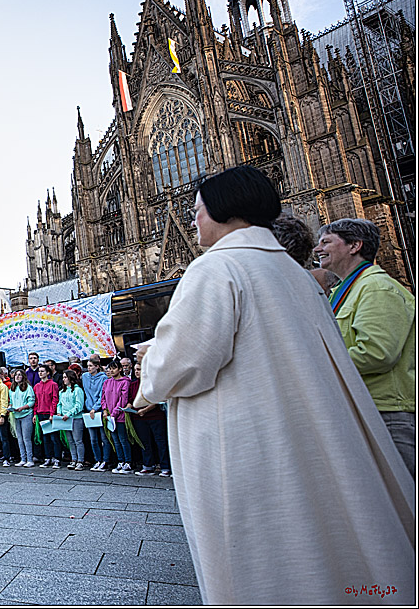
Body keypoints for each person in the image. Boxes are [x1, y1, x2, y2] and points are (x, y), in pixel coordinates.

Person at [135, 165, 415, 604]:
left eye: (197, 210)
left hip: (244, 441)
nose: (193, 220)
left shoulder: (217, 267)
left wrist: (150, 362)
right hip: (300, 432)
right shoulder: (295, 273)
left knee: (261, 555)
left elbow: (184, 364)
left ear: (224, 210)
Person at [315, 217, 416, 479]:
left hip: (387, 412)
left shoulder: (376, 288)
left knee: (405, 491)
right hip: (365, 408)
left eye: (326, 242)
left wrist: (316, 363)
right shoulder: (348, 289)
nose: (317, 249)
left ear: (354, 245)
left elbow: (377, 354)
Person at [129, 362, 169, 477]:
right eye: (135, 370)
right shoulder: (133, 384)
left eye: (139, 369)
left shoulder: (152, 383)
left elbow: (156, 400)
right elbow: (131, 399)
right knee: (144, 442)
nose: (137, 372)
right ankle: (148, 465)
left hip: (155, 416)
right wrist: (127, 407)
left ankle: (165, 467)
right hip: (138, 417)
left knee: (160, 442)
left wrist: (145, 410)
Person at [101, 360, 132, 474]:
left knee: (123, 439)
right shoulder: (107, 382)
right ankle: (120, 461)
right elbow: (103, 397)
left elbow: (123, 399)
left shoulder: (125, 382)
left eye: (114, 368)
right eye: (110, 368)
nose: (111, 370)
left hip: (120, 416)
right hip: (109, 416)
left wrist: (114, 413)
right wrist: (105, 410)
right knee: (115, 440)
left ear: (120, 369)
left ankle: (128, 462)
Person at [82, 356, 111, 472]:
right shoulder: (85, 376)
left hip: (99, 410)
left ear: (97, 367)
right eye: (87, 366)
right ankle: (97, 459)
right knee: (93, 438)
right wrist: (89, 408)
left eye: (91, 366)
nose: (88, 368)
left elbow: (102, 395)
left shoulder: (103, 378)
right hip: (89, 410)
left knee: (104, 438)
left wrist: (95, 408)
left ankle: (105, 460)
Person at [33, 364, 61, 468]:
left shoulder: (53, 384)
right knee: (45, 438)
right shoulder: (37, 386)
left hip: (49, 413)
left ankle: (57, 458)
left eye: (42, 371)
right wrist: (35, 414)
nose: (40, 373)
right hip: (41, 413)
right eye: (39, 371)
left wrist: (52, 413)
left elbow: (55, 399)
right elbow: (36, 401)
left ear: (47, 373)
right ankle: (48, 457)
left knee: (54, 437)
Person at [8, 369, 35, 467]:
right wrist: (10, 407)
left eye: (19, 375)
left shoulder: (28, 387)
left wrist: (23, 407)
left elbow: (31, 401)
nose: (17, 377)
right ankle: (23, 458)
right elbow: (11, 401)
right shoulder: (12, 388)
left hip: (26, 414)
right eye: (16, 375)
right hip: (16, 415)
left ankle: (30, 459)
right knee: (19, 438)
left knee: (26, 438)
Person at [59, 369, 85, 470]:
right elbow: (59, 404)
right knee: (70, 441)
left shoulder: (78, 390)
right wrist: (59, 412)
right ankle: (74, 459)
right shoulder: (62, 391)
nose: (64, 379)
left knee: (78, 440)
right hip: (65, 419)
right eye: (63, 377)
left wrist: (69, 414)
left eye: (65, 377)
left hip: (76, 418)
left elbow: (79, 405)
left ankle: (80, 460)